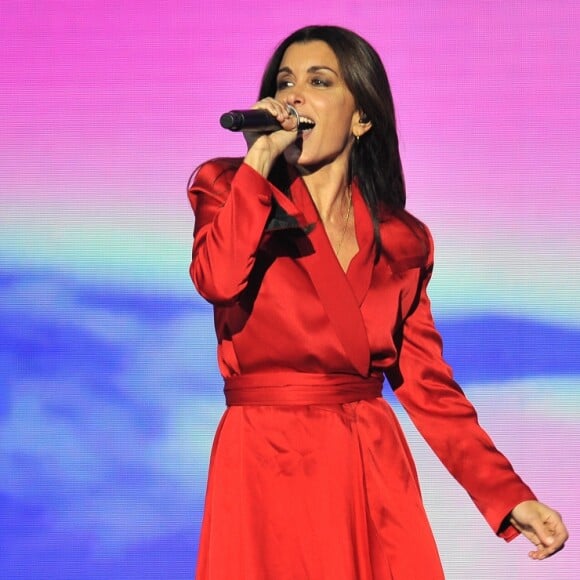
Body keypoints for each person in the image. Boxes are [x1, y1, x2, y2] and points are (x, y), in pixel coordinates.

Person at [187, 25, 568, 579]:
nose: (294, 95)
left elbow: (428, 386)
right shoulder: (227, 186)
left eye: (319, 81)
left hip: (367, 464)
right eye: (284, 81)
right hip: (264, 459)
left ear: (361, 117)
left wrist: (508, 495)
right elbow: (217, 280)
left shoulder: (402, 239)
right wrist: (261, 156)